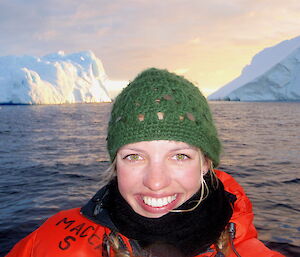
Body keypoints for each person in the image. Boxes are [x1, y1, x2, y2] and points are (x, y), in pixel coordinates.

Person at [6, 68, 285, 257]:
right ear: (116, 163)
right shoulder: (50, 242)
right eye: (134, 156)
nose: (155, 182)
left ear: (205, 163)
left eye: (179, 156)